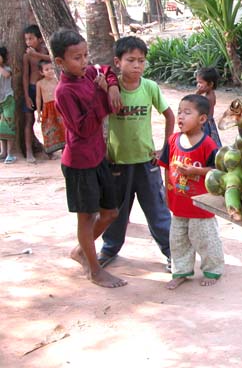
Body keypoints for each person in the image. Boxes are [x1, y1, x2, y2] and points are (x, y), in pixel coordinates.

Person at [51, 29, 126, 288]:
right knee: (86, 217)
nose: (84, 62)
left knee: (111, 212)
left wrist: (112, 86)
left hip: (97, 158)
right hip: (79, 163)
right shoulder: (64, 92)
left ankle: (82, 251)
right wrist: (99, 94)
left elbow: (104, 69)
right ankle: (94, 271)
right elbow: (82, 128)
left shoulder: (88, 74)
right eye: (76, 58)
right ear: (60, 62)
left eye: (85, 56)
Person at [98, 36, 174, 271]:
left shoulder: (149, 87)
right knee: (115, 212)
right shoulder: (110, 88)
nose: (137, 65)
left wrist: (165, 148)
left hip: (146, 162)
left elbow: (169, 115)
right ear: (117, 62)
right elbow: (94, 73)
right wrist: (103, 149)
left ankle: (172, 252)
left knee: (157, 210)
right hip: (117, 162)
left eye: (141, 60)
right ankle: (109, 249)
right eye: (130, 60)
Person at [158, 94, 224, 290]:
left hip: (201, 206)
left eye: (187, 112)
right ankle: (181, 271)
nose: (180, 117)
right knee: (178, 240)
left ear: (202, 119)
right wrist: (166, 192)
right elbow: (166, 166)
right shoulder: (172, 141)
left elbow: (217, 171)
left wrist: (196, 171)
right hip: (178, 204)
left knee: (206, 239)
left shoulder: (208, 144)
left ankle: (213, 269)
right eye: (179, 112)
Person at [22, 25, 50, 163]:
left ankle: (48, 149)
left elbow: (52, 58)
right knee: (29, 120)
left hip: (45, 91)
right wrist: (27, 96)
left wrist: (37, 55)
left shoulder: (45, 51)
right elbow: (25, 77)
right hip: (32, 89)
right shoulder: (27, 56)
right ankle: (28, 151)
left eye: (31, 39)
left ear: (39, 39)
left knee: (47, 120)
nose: (28, 42)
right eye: (26, 39)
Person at [35, 59, 65, 158]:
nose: (50, 71)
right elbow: (38, 98)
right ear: (41, 72)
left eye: (51, 68)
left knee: (62, 128)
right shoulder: (40, 83)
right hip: (47, 109)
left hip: (58, 107)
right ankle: (50, 153)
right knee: (48, 129)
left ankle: (65, 150)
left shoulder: (57, 80)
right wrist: (39, 112)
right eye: (47, 69)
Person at [195, 66, 222, 148]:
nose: (198, 85)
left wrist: (197, 93)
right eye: (197, 82)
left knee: (205, 144)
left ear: (210, 84)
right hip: (209, 122)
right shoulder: (211, 93)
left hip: (205, 124)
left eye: (201, 82)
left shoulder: (208, 98)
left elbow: (193, 104)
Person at [0, 46, 17, 164]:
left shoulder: (6, 69)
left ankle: (10, 154)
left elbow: (6, 75)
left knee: (10, 126)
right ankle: (3, 152)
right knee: (1, 128)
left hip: (8, 100)